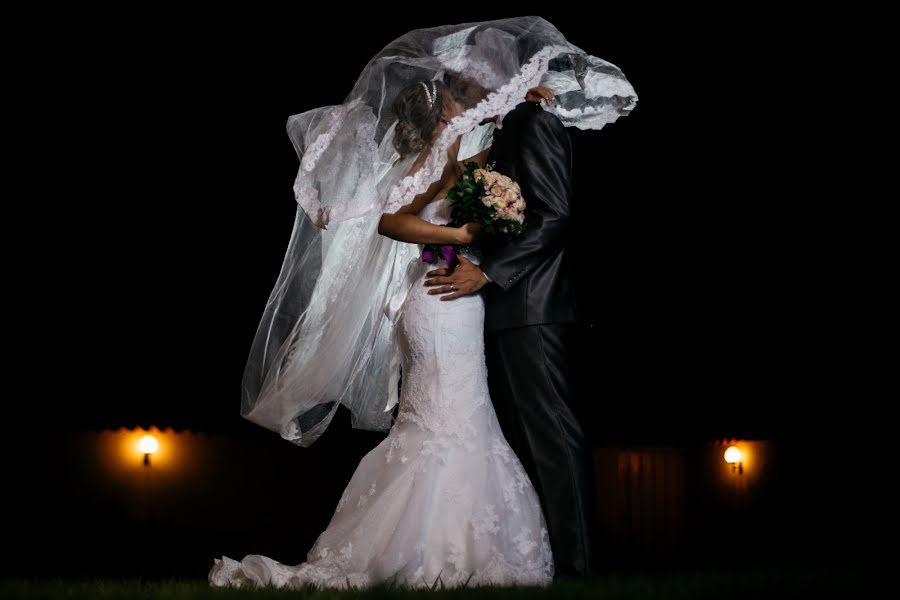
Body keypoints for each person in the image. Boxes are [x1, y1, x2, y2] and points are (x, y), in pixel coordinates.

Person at [210, 16, 637, 590]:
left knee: (479, 418)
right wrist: (463, 240)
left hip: (470, 298)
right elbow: (392, 219)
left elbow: (528, 199)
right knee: (455, 418)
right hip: (443, 297)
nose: (481, 92)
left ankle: (515, 555)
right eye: (469, 89)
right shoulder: (443, 152)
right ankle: (449, 550)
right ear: (448, 101)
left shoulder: (477, 146)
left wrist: (520, 112)